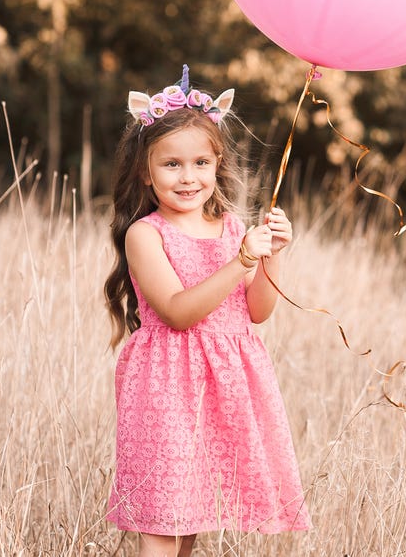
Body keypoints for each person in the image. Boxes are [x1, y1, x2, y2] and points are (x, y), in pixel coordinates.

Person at [103, 66, 310, 557]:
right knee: (162, 518)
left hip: (221, 384)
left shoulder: (232, 227)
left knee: (191, 516)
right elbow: (178, 312)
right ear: (145, 171)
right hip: (166, 387)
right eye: (171, 164)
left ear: (218, 164)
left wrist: (273, 251)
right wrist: (240, 261)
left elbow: (256, 312)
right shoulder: (146, 234)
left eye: (200, 162)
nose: (188, 176)